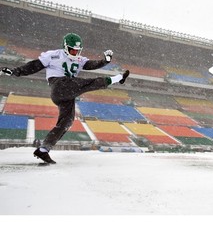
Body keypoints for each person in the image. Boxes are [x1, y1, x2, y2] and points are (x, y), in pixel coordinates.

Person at [0, 33, 130, 164]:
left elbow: (91, 64)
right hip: (59, 86)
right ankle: (118, 78)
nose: (75, 53)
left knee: (67, 122)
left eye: (77, 51)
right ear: (65, 47)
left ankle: (44, 150)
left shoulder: (79, 59)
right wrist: (16, 71)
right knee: (87, 83)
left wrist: (105, 61)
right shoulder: (54, 55)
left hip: (68, 93)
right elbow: (34, 66)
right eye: (72, 50)